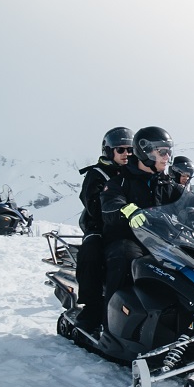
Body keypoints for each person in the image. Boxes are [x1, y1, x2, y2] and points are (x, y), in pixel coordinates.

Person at [99, 127, 184, 323]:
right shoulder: (119, 182)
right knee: (126, 256)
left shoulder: (166, 184)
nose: (167, 157)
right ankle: (110, 323)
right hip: (128, 239)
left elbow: (190, 202)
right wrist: (128, 210)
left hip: (161, 242)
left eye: (169, 152)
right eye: (162, 152)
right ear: (145, 152)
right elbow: (111, 203)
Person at [73, 127, 133, 334]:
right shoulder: (96, 174)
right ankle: (91, 308)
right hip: (99, 226)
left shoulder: (134, 172)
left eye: (130, 150)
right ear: (109, 151)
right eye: (121, 150)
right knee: (91, 252)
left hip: (130, 227)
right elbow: (93, 206)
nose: (126, 154)